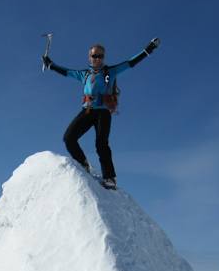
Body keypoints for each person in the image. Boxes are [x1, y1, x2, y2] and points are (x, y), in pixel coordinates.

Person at [42, 38, 159, 189]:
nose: (97, 59)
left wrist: (148, 50)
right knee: (69, 138)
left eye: (100, 56)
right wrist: (50, 65)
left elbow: (130, 63)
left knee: (101, 143)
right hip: (87, 110)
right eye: (94, 56)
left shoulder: (110, 72)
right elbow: (66, 72)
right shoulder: (84, 74)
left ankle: (110, 178)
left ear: (103, 58)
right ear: (89, 57)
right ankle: (83, 163)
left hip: (103, 113)